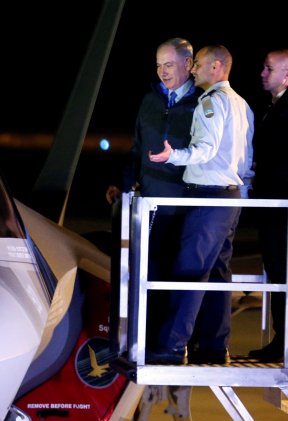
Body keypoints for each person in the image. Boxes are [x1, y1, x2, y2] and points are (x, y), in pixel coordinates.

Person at [147, 45, 254, 365]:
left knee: (190, 271)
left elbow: (205, 150)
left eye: (200, 65)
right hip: (230, 197)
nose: (193, 71)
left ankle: (170, 345)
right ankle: (213, 345)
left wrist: (174, 156)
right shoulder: (241, 104)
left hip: (208, 196)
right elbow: (246, 159)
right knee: (219, 273)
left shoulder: (211, 102)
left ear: (217, 67)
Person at [105, 37, 201, 353]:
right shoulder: (150, 100)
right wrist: (124, 182)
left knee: (181, 276)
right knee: (150, 273)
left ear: (189, 64)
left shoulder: (203, 102)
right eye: (158, 64)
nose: (162, 71)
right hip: (150, 203)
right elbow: (137, 149)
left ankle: (177, 343)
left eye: (169, 64)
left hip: (186, 206)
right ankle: (146, 341)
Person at [248, 49, 288, 363]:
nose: (262, 73)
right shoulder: (274, 106)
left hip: (283, 202)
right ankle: (282, 338)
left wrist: (259, 168)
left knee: (286, 271)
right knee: (276, 270)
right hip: (271, 202)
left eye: (268, 68)